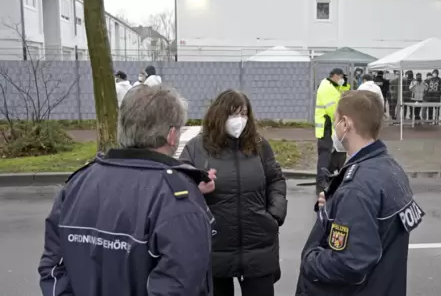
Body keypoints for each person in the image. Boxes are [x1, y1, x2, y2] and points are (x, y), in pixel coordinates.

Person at [38, 85, 214, 296]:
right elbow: (179, 285)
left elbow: (54, 269)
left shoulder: (78, 183)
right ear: (172, 135)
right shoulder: (177, 197)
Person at [295, 90, 424, 296]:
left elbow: (350, 262)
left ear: (345, 124)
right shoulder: (390, 167)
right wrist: (334, 206)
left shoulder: (357, 188)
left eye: (336, 120)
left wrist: (310, 258)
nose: (335, 127)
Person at [179, 89, 288, 296]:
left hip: (259, 247)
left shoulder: (259, 145)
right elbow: (178, 187)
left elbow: (276, 180)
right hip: (214, 248)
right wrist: (197, 189)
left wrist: (275, 214)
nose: (239, 119)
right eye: (233, 113)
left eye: (244, 113)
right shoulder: (197, 148)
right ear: (219, 115)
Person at [314, 68, 347, 195]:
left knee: (335, 152)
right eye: (341, 77)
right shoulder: (327, 88)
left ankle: (329, 177)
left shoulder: (332, 86)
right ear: (335, 76)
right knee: (325, 154)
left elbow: (342, 92)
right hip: (326, 126)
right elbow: (333, 109)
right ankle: (321, 181)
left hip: (329, 126)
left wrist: (344, 84)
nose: (342, 80)